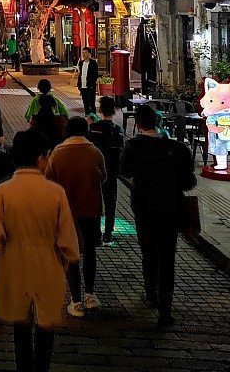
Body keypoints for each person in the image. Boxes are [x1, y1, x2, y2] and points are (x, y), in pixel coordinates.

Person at [0, 130, 79, 372]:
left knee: (21, 329)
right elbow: (68, 240)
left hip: (14, 266)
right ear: (40, 158)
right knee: (46, 328)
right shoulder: (55, 192)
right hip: (48, 265)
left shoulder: (3, 191)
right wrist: (68, 260)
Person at [119, 104, 197, 328]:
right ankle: (165, 309)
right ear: (158, 122)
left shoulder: (132, 147)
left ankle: (150, 293)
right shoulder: (178, 149)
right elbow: (189, 181)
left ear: (138, 124)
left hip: (143, 207)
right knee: (168, 256)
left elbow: (123, 171)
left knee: (148, 251)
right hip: (171, 208)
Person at [45, 117, 107, 317]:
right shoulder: (95, 152)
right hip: (91, 208)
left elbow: (48, 179)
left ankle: (76, 300)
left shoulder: (58, 153)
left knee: (71, 252)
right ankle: (90, 294)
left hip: (67, 210)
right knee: (89, 250)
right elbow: (103, 177)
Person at [88, 97, 125, 243]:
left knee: (96, 200)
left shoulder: (94, 128)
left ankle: (96, 231)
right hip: (112, 169)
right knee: (111, 201)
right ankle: (108, 232)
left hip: (96, 169)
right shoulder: (118, 130)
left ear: (100, 109)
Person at [76, 47, 99, 116]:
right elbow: (80, 75)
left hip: (90, 86)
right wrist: (79, 85)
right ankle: (87, 117)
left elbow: (95, 75)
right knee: (85, 103)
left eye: (85, 53)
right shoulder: (81, 63)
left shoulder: (93, 63)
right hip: (83, 86)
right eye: (83, 53)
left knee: (91, 103)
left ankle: (94, 118)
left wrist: (92, 84)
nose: (84, 54)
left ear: (89, 54)